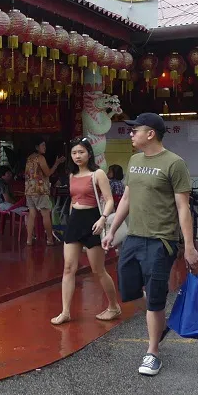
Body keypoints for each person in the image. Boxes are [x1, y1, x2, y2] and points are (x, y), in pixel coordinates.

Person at [103, 112, 198, 377]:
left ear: (151, 134)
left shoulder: (174, 164)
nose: (131, 134)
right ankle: (158, 320)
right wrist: (112, 231)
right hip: (134, 238)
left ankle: (153, 351)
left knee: (155, 298)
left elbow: (183, 208)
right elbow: (126, 200)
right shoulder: (134, 161)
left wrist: (188, 245)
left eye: (135, 130)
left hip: (161, 241)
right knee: (129, 291)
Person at [51, 137, 121, 326]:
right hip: (75, 222)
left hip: (93, 222)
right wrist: (70, 221)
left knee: (98, 270)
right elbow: (74, 201)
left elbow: (109, 200)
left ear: (89, 153)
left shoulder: (97, 174)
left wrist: (102, 218)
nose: (77, 156)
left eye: (81, 152)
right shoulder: (72, 176)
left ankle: (114, 306)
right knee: (68, 268)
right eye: (74, 153)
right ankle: (65, 311)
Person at [24, 139, 65, 246]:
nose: (44, 147)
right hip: (40, 190)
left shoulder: (29, 158)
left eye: (45, 145)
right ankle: (50, 239)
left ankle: (28, 240)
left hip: (29, 190)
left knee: (32, 214)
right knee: (45, 214)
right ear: (37, 147)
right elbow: (48, 173)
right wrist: (56, 163)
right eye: (43, 145)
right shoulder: (40, 158)